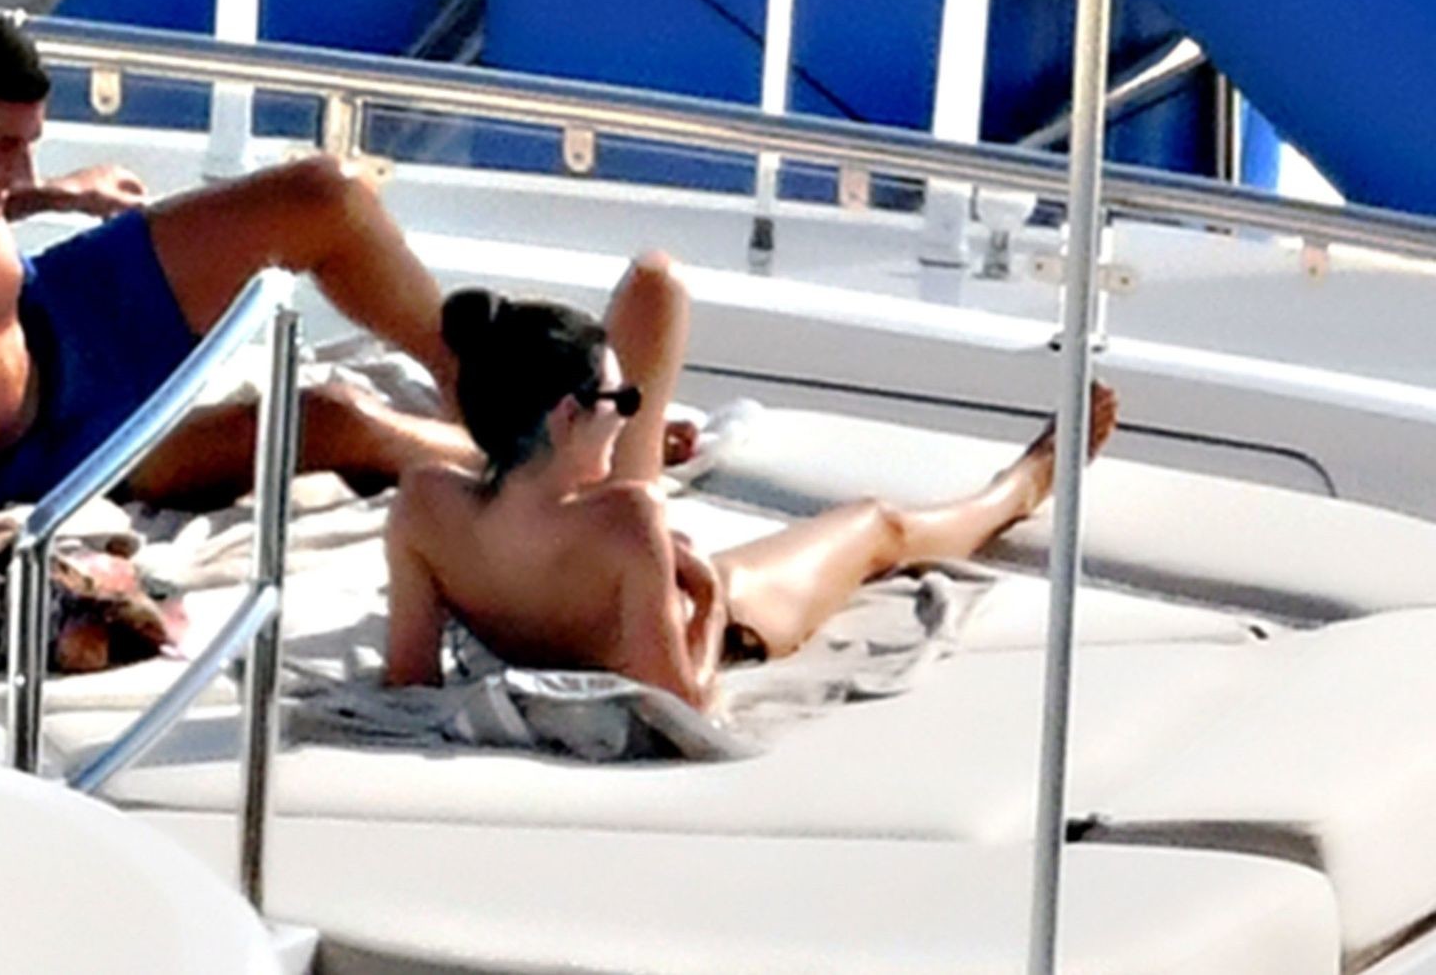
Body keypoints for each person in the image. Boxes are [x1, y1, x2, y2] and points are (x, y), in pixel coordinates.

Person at [0, 5, 475, 563]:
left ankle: (477, 388)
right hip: (46, 456)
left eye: (31, 145)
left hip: (59, 312)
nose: (21, 170)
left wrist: (60, 195)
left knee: (325, 193)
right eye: (2, 150)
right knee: (335, 416)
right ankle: (508, 465)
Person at [383, 252, 1119, 710]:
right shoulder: (626, 519)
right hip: (723, 620)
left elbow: (409, 681)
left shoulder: (425, 504)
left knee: (656, 285)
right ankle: (1021, 486)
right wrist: (705, 601)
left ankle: (1021, 483)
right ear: (570, 416)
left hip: (562, 605)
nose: (629, 414)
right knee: (875, 526)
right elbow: (684, 703)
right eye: (622, 401)